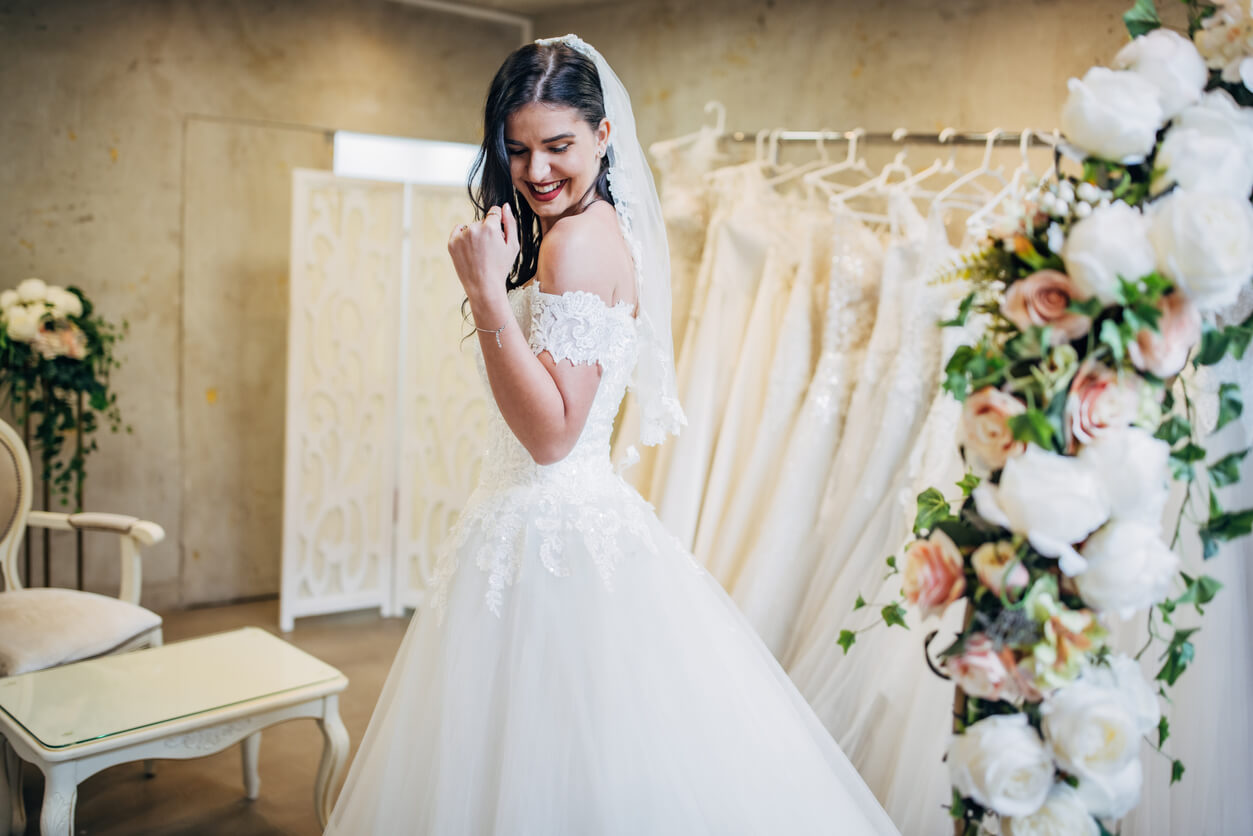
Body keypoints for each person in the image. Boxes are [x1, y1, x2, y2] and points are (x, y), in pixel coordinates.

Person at [323, 35, 900, 836]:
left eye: (558, 146)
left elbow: (552, 435)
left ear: (603, 135)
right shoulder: (591, 227)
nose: (535, 171)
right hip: (543, 521)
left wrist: (488, 296)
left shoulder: (575, 241)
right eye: (517, 149)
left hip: (548, 523)